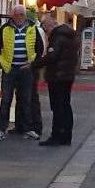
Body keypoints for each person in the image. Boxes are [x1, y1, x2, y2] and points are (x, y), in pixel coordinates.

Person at [0, 6, 44, 141]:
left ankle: (28, 129)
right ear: (12, 16)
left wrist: (32, 63)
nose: (19, 17)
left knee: (26, 99)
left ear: (25, 15)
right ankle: (1, 129)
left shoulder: (32, 29)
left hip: (26, 70)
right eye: (16, 15)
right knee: (5, 100)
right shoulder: (5, 29)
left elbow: (39, 48)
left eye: (21, 14)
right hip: (10, 69)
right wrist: (3, 64)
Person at [33, 14, 78, 146]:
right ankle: (66, 135)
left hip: (57, 76)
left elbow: (52, 56)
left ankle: (56, 136)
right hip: (67, 75)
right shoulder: (70, 36)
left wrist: (34, 64)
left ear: (50, 26)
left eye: (45, 29)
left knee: (57, 106)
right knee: (65, 105)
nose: (45, 32)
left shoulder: (56, 37)